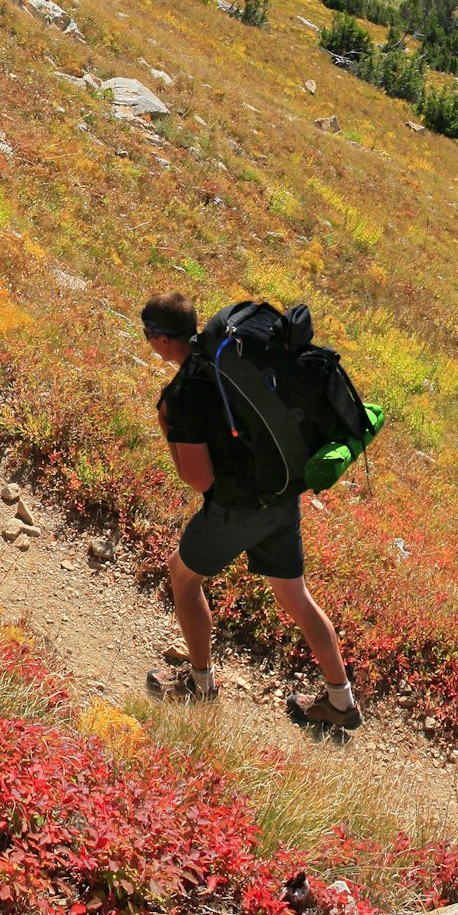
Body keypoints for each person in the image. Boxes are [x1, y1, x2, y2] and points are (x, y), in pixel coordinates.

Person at [138, 292, 360, 730]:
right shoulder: (229, 359)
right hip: (282, 496)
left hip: (239, 508)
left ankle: (199, 684)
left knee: (182, 576)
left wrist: (168, 429)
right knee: (296, 598)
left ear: (163, 341)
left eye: (148, 335)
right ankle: (340, 700)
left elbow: (200, 480)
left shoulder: (183, 394)